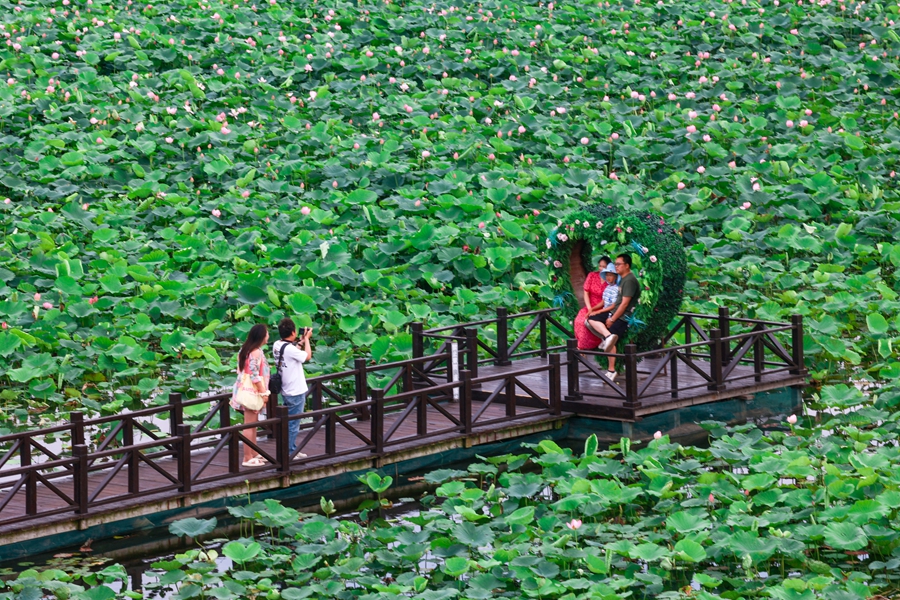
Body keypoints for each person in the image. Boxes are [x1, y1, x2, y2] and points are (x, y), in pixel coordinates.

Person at [593, 253, 641, 382]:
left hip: (624, 317)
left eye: (619, 264)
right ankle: (607, 337)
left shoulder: (630, 280)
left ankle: (611, 370)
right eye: (615, 264)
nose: (616, 266)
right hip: (614, 313)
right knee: (592, 320)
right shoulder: (622, 279)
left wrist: (612, 318)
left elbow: (625, 303)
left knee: (611, 336)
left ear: (627, 265)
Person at [231, 324, 271, 467]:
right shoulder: (255, 352)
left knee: (253, 424)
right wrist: (263, 392)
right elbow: (254, 375)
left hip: (244, 390)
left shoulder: (245, 350)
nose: (268, 336)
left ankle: (253, 453)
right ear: (261, 336)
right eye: (267, 333)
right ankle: (247, 457)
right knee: (249, 425)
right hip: (252, 392)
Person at [273, 318, 313, 459]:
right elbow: (307, 356)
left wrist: (300, 342)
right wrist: (307, 339)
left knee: (289, 422)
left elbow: (292, 352)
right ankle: (289, 452)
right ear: (293, 332)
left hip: (286, 388)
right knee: (293, 424)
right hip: (295, 391)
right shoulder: (289, 349)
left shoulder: (277, 344)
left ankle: (292, 448)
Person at [573, 255, 613, 350]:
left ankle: (594, 345)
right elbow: (586, 292)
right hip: (590, 306)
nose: (601, 268)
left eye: (604, 266)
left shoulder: (610, 280)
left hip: (602, 308)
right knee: (579, 321)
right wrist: (589, 308)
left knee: (590, 322)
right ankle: (580, 348)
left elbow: (606, 300)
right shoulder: (592, 275)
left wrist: (594, 310)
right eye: (600, 266)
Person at [585, 263, 619, 335]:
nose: (608, 277)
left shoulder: (617, 288)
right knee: (588, 320)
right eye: (607, 275)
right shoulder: (607, 287)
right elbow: (603, 302)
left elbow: (613, 306)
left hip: (612, 312)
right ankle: (606, 337)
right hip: (605, 311)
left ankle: (607, 336)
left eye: (610, 275)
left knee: (591, 320)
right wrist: (592, 309)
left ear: (615, 277)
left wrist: (599, 311)